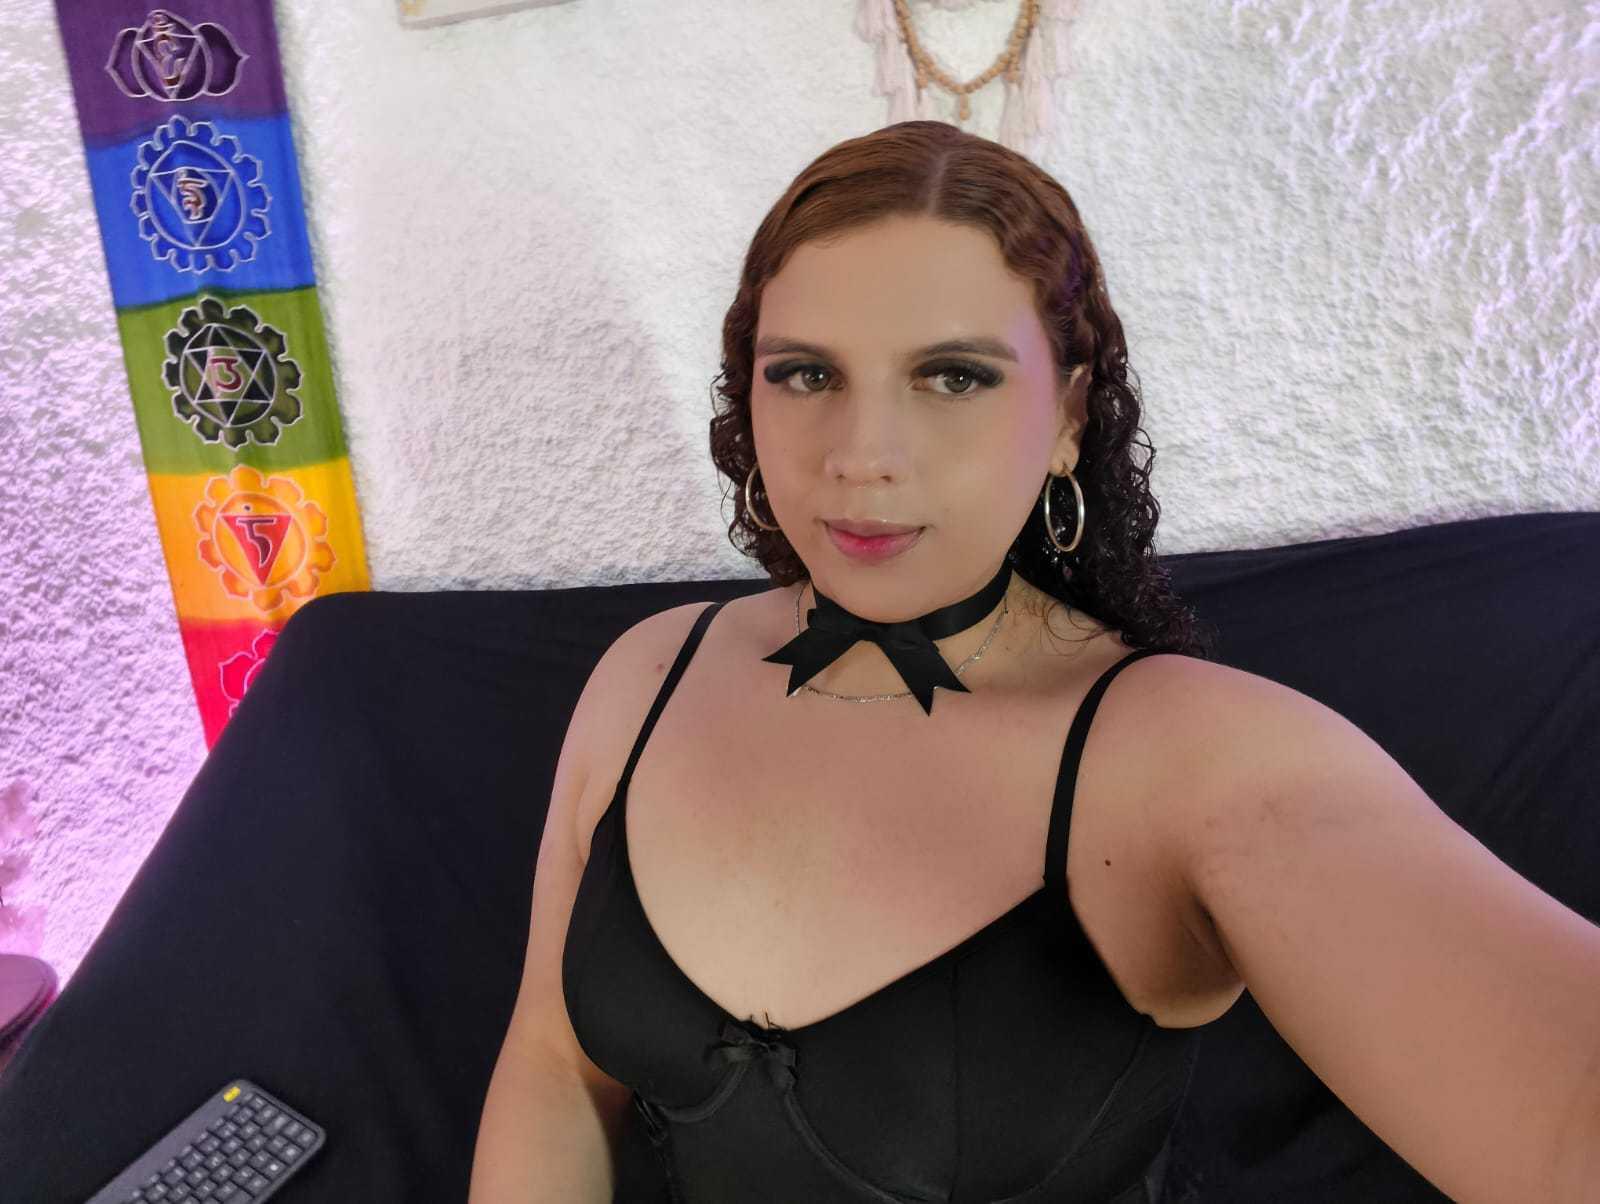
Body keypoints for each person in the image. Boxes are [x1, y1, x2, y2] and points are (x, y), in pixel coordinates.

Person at [468, 121, 1600, 1203]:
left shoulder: (1189, 755)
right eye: (807, 374)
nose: (862, 456)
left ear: (1068, 412)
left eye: (953, 376)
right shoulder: (647, 675)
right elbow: (552, 1065)